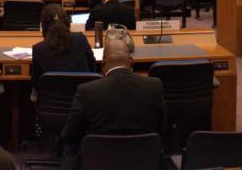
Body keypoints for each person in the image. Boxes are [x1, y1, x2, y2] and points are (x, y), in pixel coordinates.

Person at [60, 35, 165, 170]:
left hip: (98, 163)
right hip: (143, 162)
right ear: (131, 63)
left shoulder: (86, 91)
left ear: (103, 64)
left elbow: (69, 134)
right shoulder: (154, 86)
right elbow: (162, 128)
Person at [32, 4, 97, 86]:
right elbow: (93, 70)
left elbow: (36, 83)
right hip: (83, 92)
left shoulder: (38, 49)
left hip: (51, 93)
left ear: (43, 26)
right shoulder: (81, 39)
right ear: (67, 22)